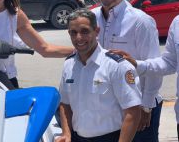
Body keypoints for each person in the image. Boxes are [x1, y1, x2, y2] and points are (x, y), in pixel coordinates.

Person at [91, 0, 163, 142]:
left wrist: (146, 108)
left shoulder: (141, 21)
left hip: (137, 105)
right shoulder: (91, 17)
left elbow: (154, 66)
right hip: (107, 105)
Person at [55, 8, 141, 142]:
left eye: (85, 31)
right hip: (78, 138)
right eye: (73, 32)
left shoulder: (117, 66)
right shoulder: (69, 65)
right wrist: (66, 133)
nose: (79, 37)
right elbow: (65, 104)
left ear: (97, 31)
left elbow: (133, 111)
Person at [110, 15, 179, 139]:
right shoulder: (177, 22)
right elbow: (170, 62)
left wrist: (147, 104)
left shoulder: (142, 21)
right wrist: (137, 64)